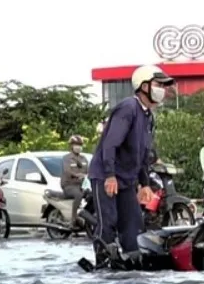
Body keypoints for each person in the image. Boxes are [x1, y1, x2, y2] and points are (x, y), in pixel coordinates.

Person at [87, 64, 174, 264]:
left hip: (127, 178)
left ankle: (131, 262)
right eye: (158, 84)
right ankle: (103, 263)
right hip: (106, 175)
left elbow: (143, 154)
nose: (163, 88)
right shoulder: (128, 108)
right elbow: (110, 144)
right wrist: (109, 175)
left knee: (133, 223)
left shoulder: (148, 116)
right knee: (108, 221)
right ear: (144, 86)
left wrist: (144, 184)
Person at [60, 135, 89, 226]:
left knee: (92, 195)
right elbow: (67, 170)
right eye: (76, 144)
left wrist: (86, 176)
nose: (78, 147)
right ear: (71, 146)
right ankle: (73, 218)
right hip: (69, 185)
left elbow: (88, 171)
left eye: (80, 145)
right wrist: (77, 175)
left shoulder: (84, 159)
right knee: (78, 194)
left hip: (81, 185)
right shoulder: (66, 158)